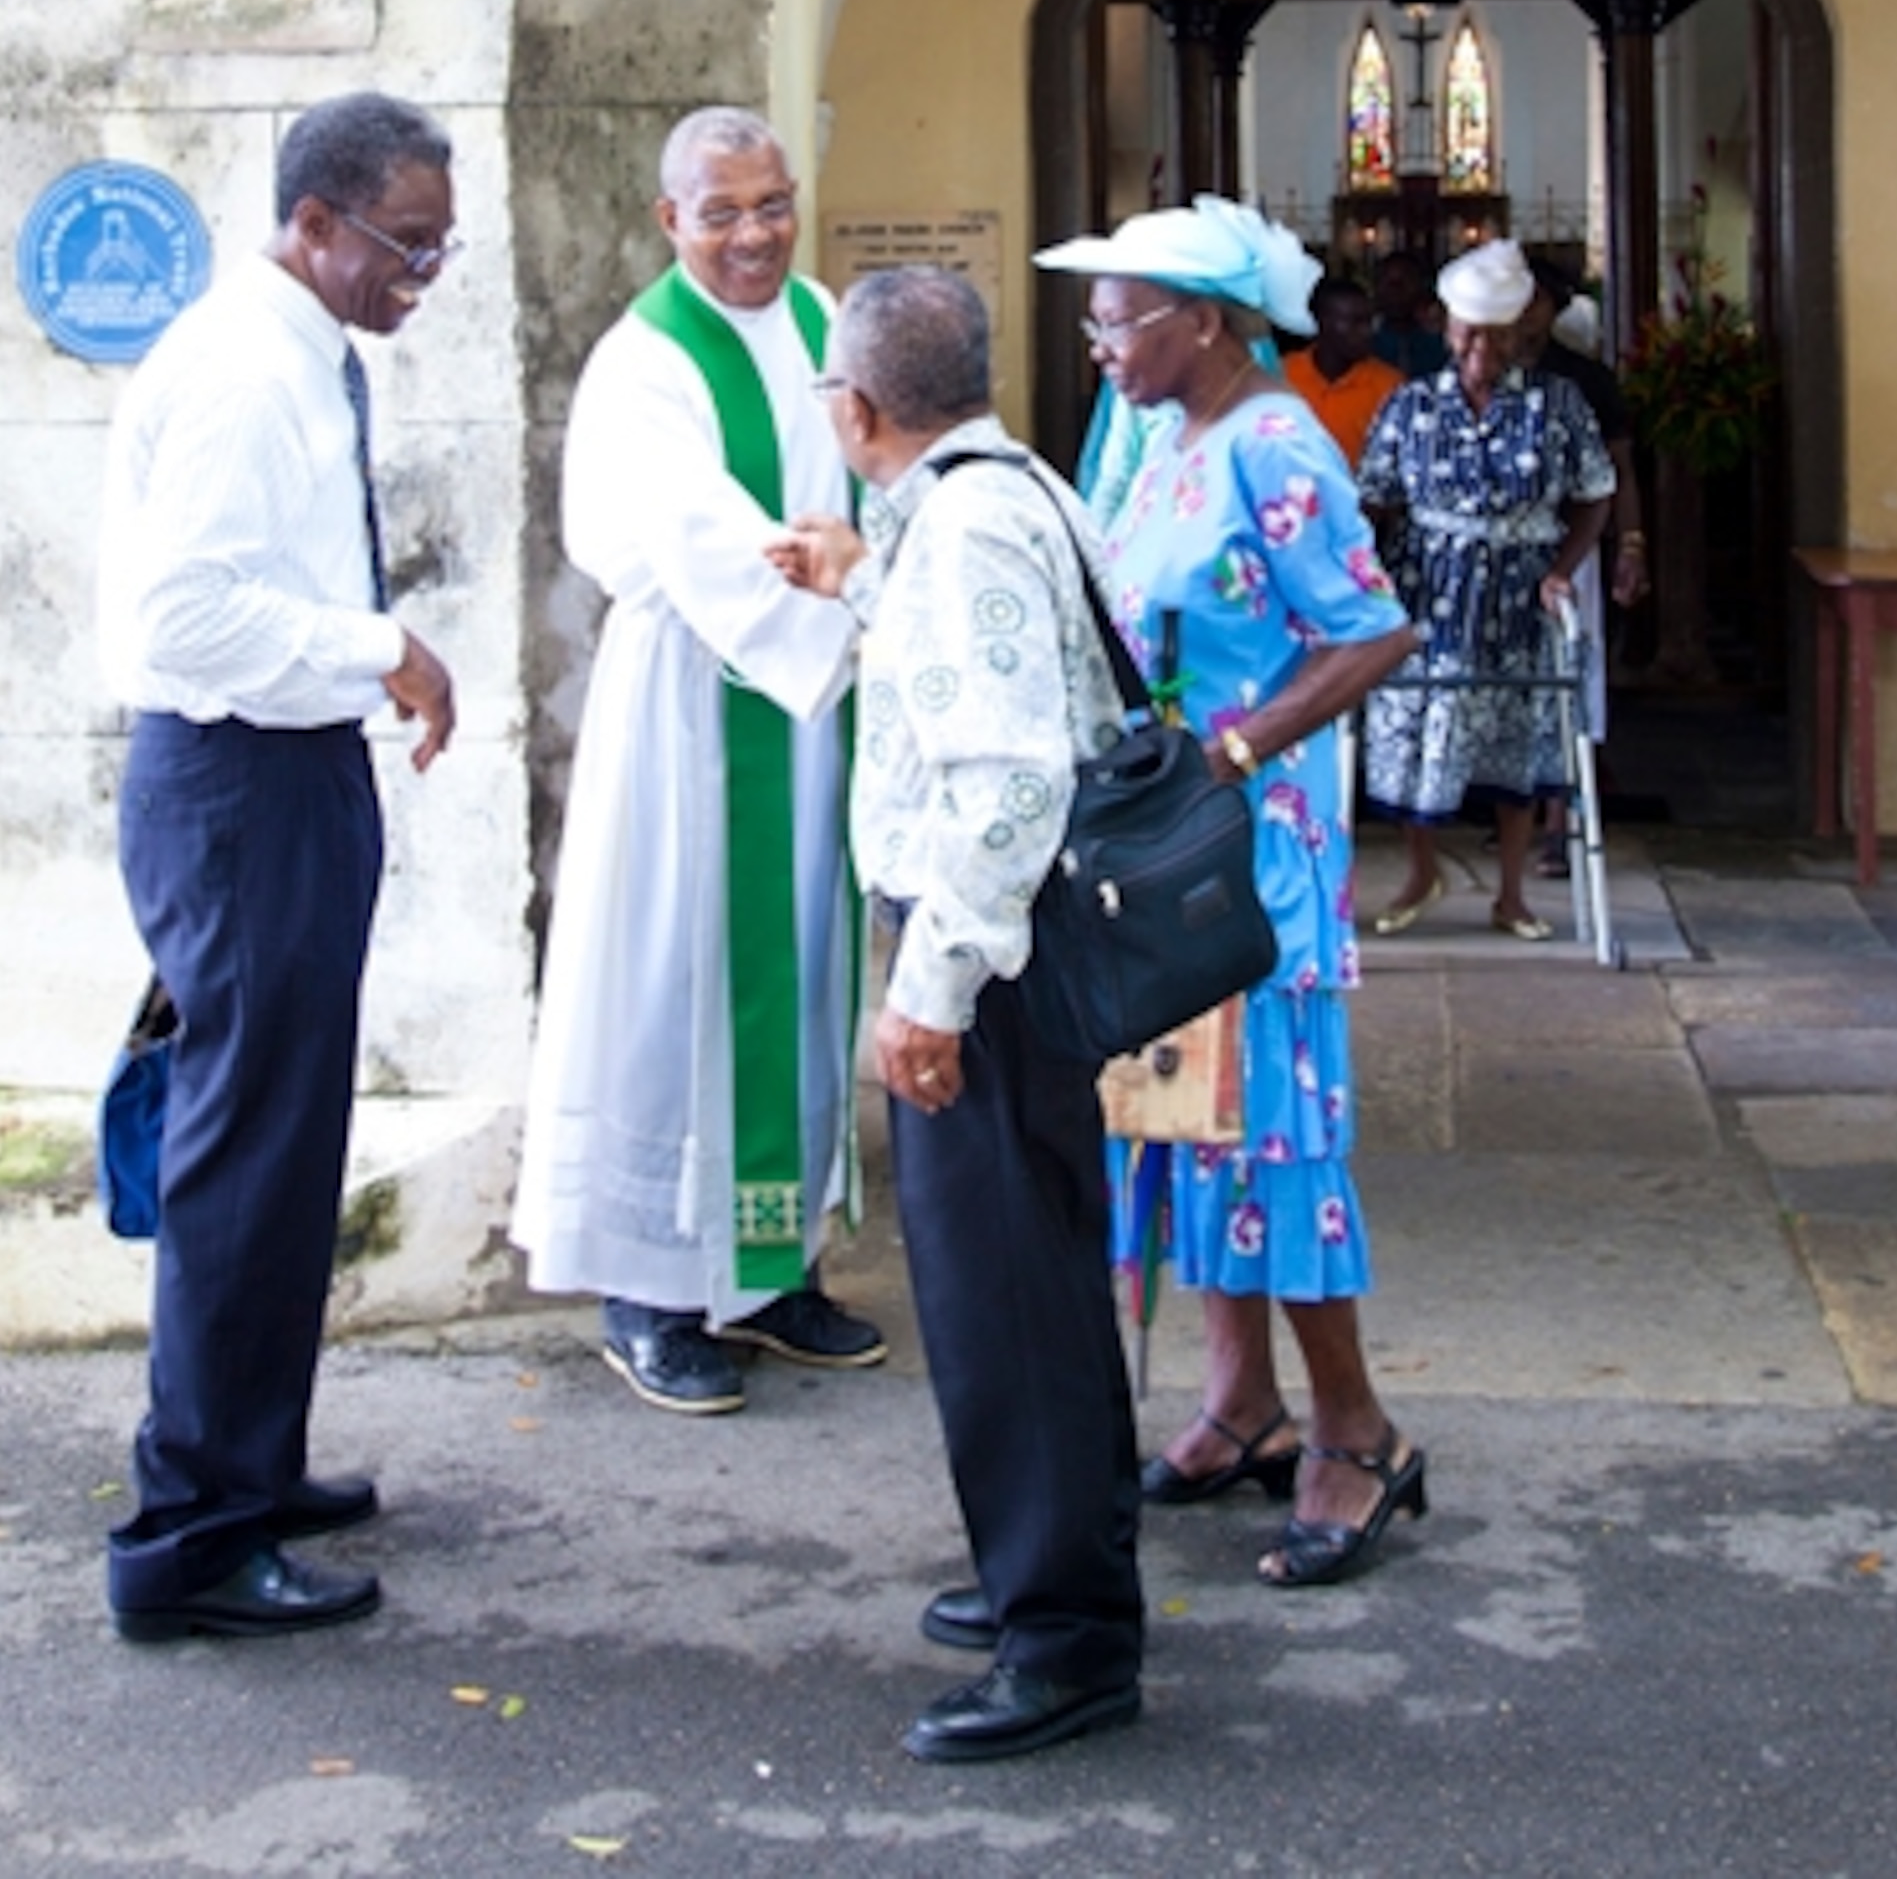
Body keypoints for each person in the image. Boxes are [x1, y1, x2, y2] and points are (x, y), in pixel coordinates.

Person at [97, 91, 461, 1641]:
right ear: (313, 223)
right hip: (241, 782)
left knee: (285, 1144)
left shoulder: (302, 353)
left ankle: (254, 1458)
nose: (419, 278)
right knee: (243, 1163)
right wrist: (381, 645)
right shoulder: (249, 372)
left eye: (442, 248)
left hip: (286, 777)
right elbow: (187, 621)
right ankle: (195, 1534)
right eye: (404, 245)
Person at [770, 267, 1143, 1764]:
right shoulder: (1001, 486)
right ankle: (1048, 1575)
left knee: (1005, 1300)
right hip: (1000, 952)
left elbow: (1006, 780)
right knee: (1029, 1275)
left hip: (983, 962)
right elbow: (984, 674)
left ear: (855, 408)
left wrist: (928, 993)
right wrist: (861, 581)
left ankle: (1065, 1643)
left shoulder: (970, 523)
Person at [1033, 199, 1427, 1592]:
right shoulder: (1165, 440)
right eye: (1093, 322)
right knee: (1186, 1130)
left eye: (1119, 320)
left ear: (1204, 322)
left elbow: (1372, 630)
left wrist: (1240, 745)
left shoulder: (1273, 442)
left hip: (1253, 863)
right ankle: (1239, 1404)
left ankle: (1356, 1431)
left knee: (1271, 1137)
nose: (1100, 347)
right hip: (1170, 856)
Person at [510, 108, 882, 1414]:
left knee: (806, 965)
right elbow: (699, 533)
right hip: (695, 703)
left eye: (770, 204)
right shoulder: (645, 360)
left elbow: (879, 472)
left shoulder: (828, 319)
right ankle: (652, 1292)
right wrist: (848, 595)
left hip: (812, 701)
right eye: (719, 213)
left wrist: (877, 571)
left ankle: (772, 1270)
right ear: (671, 221)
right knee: (673, 979)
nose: (752, 235)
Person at [1360, 239, 1617, 942]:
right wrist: (1363, 579)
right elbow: (1375, 499)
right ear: (1446, 329)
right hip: (1428, 591)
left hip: (1519, 591)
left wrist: (1562, 566)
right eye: (1467, 332)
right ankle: (1421, 873)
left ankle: (1511, 894)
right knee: (1415, 736)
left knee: (1519, 744)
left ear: (1518, 333)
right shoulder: (1410, 406)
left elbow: (1597, 493)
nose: (1479, 347)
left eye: (1494, 335)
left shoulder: (1556, 404)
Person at [1517, 258, 1649, 874]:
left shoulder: (1585, 381)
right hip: (1497, 552)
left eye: (1537, 300)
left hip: (1571, 546)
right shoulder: (1476, 374)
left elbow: (1616, 470)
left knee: (1572, 671)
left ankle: (1561, 819)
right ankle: (1516, 811)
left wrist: (1630, 544)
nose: (1524, 313)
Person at [1280, 273, 1404, 474]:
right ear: (1323, 323)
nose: (1367, 331)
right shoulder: (1281, 376)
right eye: (1355, 322)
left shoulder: (1390, 386)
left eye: (1369, 321)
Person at [1368, 250, 1448, 382]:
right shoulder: (1363, 345)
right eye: (1388, 282)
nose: (1396, 290)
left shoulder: (1442, 344)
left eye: (1406, 281)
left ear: (1421, 286)